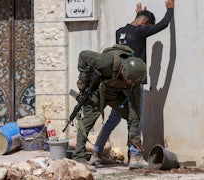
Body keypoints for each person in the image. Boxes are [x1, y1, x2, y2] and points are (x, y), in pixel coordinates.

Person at [89, 0, 175, 168]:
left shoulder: (120, 32)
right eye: (147, 25)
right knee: (137, 117)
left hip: (119, 84)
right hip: (134, 82)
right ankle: (135, 156)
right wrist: (170, 9)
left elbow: (132, 29)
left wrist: (138, 16)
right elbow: (164, 24)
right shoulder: (141, 31)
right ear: (145, 23)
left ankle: (97, 152)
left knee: (113, 119)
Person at [72, 44, 147, 170]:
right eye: (129, 81)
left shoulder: (134, 81)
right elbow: (83, 55)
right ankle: (79, 157)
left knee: (131, 115)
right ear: (123, 70)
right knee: (87, 122)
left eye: (133, 83)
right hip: (97, 92)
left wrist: (134, 137)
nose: (131, 84)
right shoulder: (108, 61)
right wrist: (82, 82)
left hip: (114, 94)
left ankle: (135, 156)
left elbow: (135, 112)